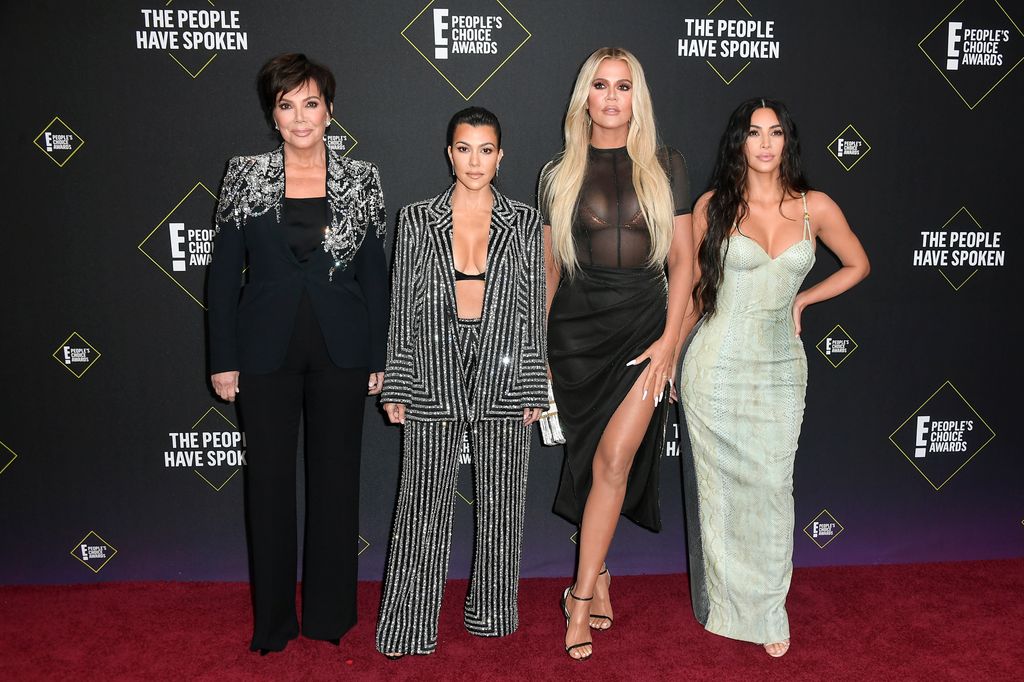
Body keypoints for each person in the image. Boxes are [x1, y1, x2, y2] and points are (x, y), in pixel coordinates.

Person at [206, 53, 388, 654]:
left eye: (311, 103)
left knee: (337, 484)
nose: (300, 116)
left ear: (330, 111)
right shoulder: (243, 174)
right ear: (274, 114)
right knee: (269, 486)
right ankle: (275, 624)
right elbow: (224, 273)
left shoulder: (363, 178)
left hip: (343, 350)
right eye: (287, 104)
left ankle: (331, 617)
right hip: (263, 353)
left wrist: (379, 357)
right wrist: (222, 358)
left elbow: (376, 277)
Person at [680, 98, 870, 658]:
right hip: (714, 366)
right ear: (739, 142)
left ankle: (766, 609)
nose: (765, 143)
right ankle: (728, 607)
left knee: (772, 488)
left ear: (788, 141)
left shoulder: (816, 208)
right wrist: (670, 353)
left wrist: (805, 299)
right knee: (720, 494)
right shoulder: (712, 206)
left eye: (776, 133)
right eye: (754, 133)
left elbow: (859, 263)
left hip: (781, 368)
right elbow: (696, 292)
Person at [539, 47, 693, 661]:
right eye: (600, 85)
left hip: (642, 330)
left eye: (623, 86)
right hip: (575, 335)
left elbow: (682, 263)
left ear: (638, 97)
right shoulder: (558, 172)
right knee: (591, 459)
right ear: (584, 96)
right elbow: (549, 270)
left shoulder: (667, 165)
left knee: (613, 462)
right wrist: (543, 356)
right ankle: (598, 573)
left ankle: (577, 598)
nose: (610, 97)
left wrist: (670, 342)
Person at [375, 107, 547, 658]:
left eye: (486, 149)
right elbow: (402, 303)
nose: (475, 160)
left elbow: (531, 308)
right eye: (464, 148)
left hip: (502, 363)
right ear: (449, 153)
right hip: (432, 364)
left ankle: (492, 615)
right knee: (421, 501)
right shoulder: (416, 218)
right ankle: (408, 625)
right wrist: (399, 380)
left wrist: (531, 382)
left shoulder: (523, 221)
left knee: (504, 502)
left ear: (502, 156)